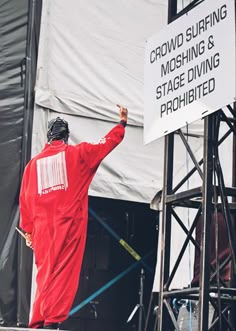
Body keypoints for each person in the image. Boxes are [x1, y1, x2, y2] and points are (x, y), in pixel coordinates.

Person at [19, 105, 128, 329]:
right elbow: (106, 144)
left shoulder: (33, 165)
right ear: (66, 137)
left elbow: (25, 200)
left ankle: (40, 321)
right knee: (63, 275)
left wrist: (29, 232)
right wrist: (121, 124)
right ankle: (50, 322)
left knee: (45, 274)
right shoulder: (77, 154)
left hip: (42, 230)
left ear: (49, 137)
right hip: (67, 226)